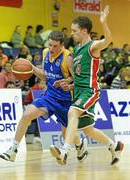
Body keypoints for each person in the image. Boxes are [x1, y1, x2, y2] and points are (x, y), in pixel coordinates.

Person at [50, 6, 124, 166]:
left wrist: (104, 23)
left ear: (84, 31)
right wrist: (69, 83)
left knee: (72, 112)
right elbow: (78, 74)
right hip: (78, 91)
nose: (71, 33)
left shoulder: (92, 46)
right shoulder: (76, 49)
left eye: (74, 30)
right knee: (88, 129)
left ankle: (65, 151)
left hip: (90, 91)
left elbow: (108, 41)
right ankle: (114, 146)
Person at [0, 31, 88, 162]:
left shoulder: (68, 58)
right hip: (49, 96)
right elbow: (46, 76)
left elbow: (79, 80)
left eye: (55, 46)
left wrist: (68, 82)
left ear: (62, 45)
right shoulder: (46, 52)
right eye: (50, 45)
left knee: (67, 133)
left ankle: (80, 145)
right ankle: (13, 150)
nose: (51, 48)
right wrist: (32, 68)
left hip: (66, 101)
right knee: (27, 114)